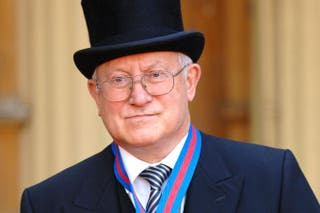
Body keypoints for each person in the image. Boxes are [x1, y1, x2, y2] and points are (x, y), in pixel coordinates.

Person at [21, 0, 319, 212]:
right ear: (95, 94)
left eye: (156, 75)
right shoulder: (49, 203)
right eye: (119, 80)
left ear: (190, 81)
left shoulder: (271, 181)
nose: (139, 96)